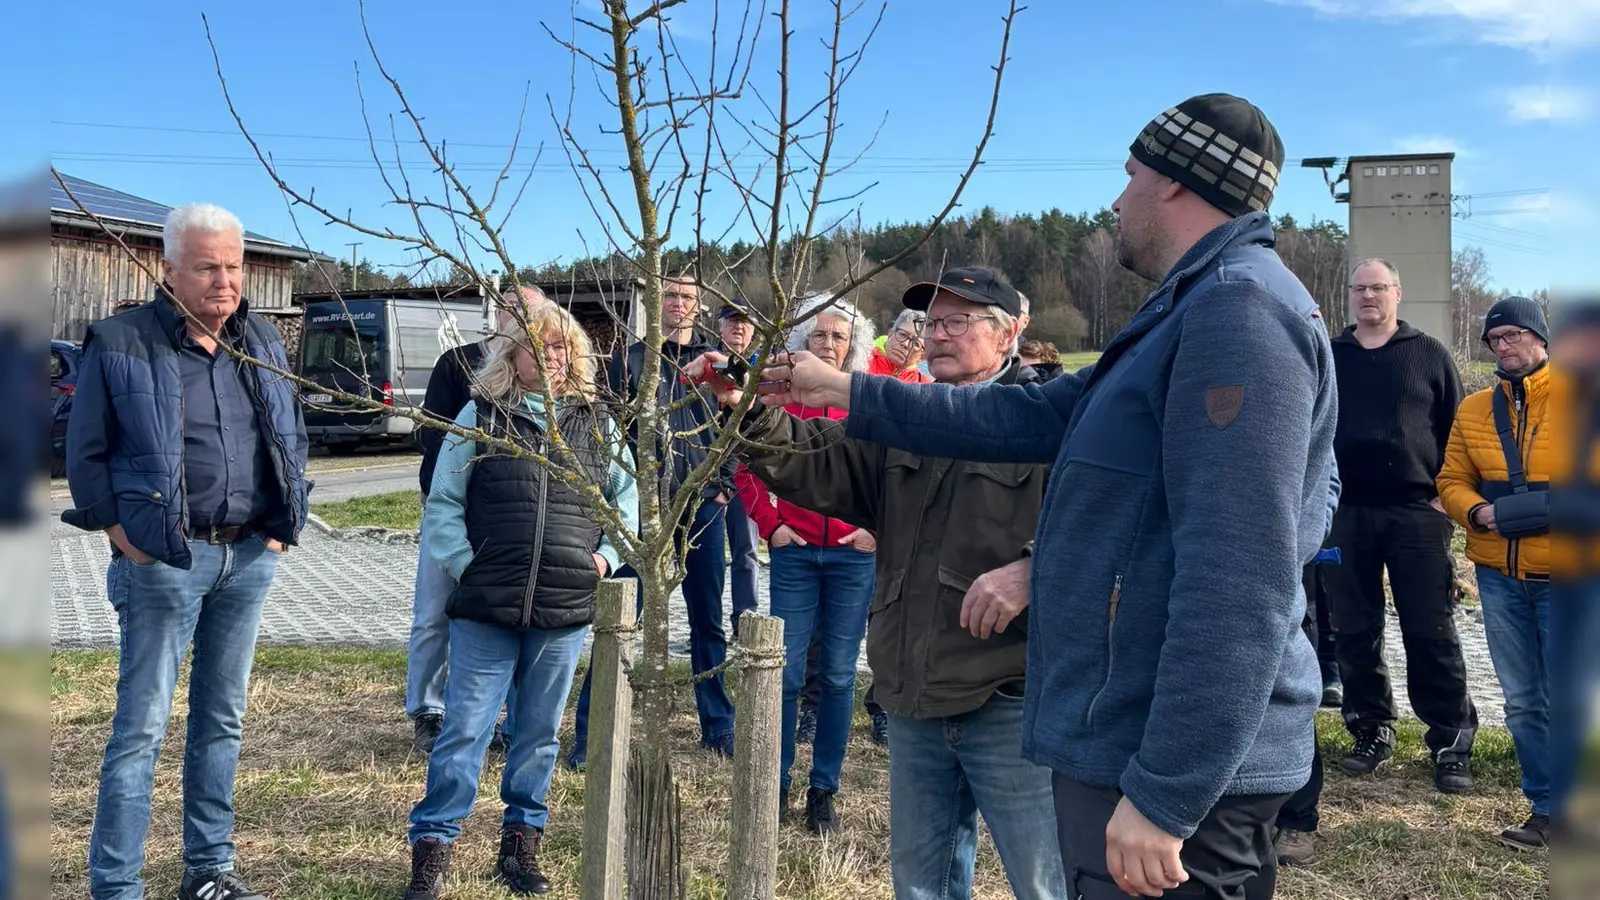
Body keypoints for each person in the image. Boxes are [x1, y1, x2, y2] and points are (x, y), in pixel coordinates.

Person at [753, 94, 1337, 900]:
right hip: (1123, 738)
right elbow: (1018, 415)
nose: (1115, 198)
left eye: (1130, 174)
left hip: (1162, 769)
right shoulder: (1187, 311)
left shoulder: (1236, 314)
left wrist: (1167, 793)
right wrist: (844, 391)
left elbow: (1242, 579)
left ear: (1175, 182)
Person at [690, 266, 1064, 897]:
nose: (936, 335)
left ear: (1008, 336)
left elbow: (1110, 537)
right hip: (914, 694)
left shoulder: (1048, 423)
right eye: (930, 323)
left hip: (1012, 699)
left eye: (957, 322)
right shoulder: (900, 422)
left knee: (1044, 881)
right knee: (921, 885)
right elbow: (819, 462)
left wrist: (1036, 569)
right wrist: (747, 412)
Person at [65, 203, 310, 900]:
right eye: (208, 266)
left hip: (248, 559)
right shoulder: (118, 342)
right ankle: (117, 886)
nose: (225, 281)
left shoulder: (259, 339)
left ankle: (209, 873)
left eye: (233, 266)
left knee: (221, 722)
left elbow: (290, 433)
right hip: (164, 563)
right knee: (140, 730)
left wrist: (282, 524)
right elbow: (84, 457)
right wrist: (125, 539)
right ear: (169, 268)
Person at [402, 297, 638, 899]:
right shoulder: (480, 416)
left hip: (562, 607)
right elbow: (444, 506)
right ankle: (432, 849)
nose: (552, 356)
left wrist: (603, 560)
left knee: (537, 734)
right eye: (539, 345)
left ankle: (520, 845)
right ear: (515, 353)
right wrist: (466, 566)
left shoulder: (599, 423)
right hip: (487, 604)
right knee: (465, 731)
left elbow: (627, 503)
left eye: (562, 346)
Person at [568, 276, 737, 768]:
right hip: (646, 516)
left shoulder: (720, 364)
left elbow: (735, 426)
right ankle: (591, 731)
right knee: (619, 621)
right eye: (669, 295)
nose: (678, 303)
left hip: (703, 507)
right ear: (656, 305)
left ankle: (717, 725)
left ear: (699, 306)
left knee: (708, 621)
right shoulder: (632, 363)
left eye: (687, 296)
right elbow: (610, 434)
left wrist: (722, 485)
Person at [1322, 258, 1477, 794]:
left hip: (1418, 512)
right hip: (1343, 513)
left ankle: (1450, 741)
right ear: (1350, 296)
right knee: (1354, 627)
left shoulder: (1429, 354)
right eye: (1360, 288)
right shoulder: (1330, 356)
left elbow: (1458, 430)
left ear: (1397, 293)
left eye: (1379, 287)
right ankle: (1370, 728)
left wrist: (1445, 497)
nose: (1369, 296)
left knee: (1430, 628)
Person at [733, 294, 878, 834]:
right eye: (819, 335)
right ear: (802, 343)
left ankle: (824, 790)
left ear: (852, 347)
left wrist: (875, 528)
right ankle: (778, 781)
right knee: (787, 673)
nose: (828, 344)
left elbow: (892, 473)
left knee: (839, 676)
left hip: (851, 557)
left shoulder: (866, 405)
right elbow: (746, 465)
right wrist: (771, 526)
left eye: (838, 336)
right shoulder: (779, 399)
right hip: (794, 553)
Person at [1436, 296, 1554, 849]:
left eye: (1512, 335)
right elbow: (1451, 477)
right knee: (1522, 699)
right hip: (1499, 576)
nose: (1503, 347)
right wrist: (1476, 512)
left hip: (1572, 574)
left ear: (1540, 337)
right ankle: (1547, 809)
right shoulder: (1474, 409)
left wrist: (1539, 511)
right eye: (1494, 339)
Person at [407, 286, 543, 755]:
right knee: (432, 614)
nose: (518, 318)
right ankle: (427, 709)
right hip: (450, 509)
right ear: (495, 313)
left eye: (529, 312)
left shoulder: (541, 376)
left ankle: (502, 723)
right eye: (510, 309)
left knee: (510, 619)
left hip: (508, 523)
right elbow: (434, 436)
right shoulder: (457, 364)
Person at [718, 299, 762, 637]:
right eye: (733, 321)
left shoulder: (761, 370)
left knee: (746, 552)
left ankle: (744, 625)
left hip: (748, 474)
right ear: (719, 326)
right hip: (705, 474)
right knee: (705, 557)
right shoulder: (705, 364)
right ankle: (705, 626)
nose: (739, 328)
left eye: (746, 323)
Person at [866, 309, 933, 383]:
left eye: (916, 343)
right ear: (890, 334)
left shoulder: (923, 387)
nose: (906, 344)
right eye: (902, 334)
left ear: (922, 356)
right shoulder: (861, 360)